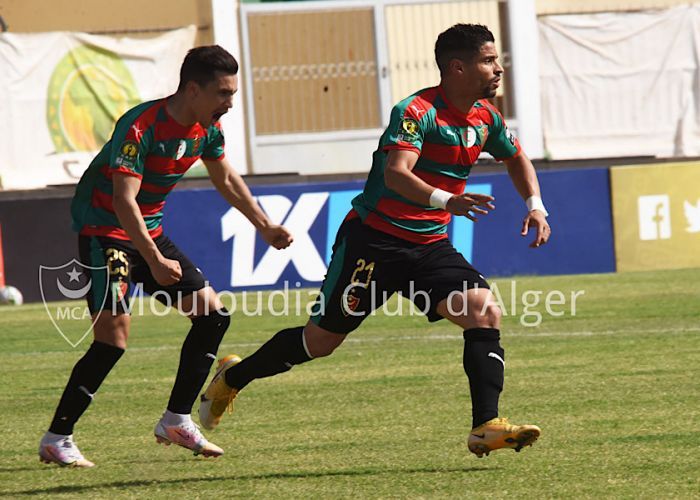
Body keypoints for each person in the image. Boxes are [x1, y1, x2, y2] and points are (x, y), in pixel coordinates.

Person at [199, 24, 551, 459]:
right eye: (488, 61)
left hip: (428, 246)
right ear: (457, 67)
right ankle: (234, 378)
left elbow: (515, 155)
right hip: (373, 244)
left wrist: (535, 204)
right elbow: (396, 174)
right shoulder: (416, 111)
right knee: (319, 343)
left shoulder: (486, 117)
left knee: (483, 311)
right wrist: (448, 199)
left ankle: (486, 425)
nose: (498, 68)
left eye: (496, 60)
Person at [38, 45, 293, 467]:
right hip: (106, 233)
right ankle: (57, 438)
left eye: (233, 93)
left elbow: (225, 176)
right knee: (113, 339)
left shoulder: (207, 128)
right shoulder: (141, 126)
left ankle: (176, 420)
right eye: (223, 93)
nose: (230, 103)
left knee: (213, 315)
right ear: (193, 90)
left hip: (148, 233)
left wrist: (263, 224)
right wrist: (153, 259)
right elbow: (123, 200)